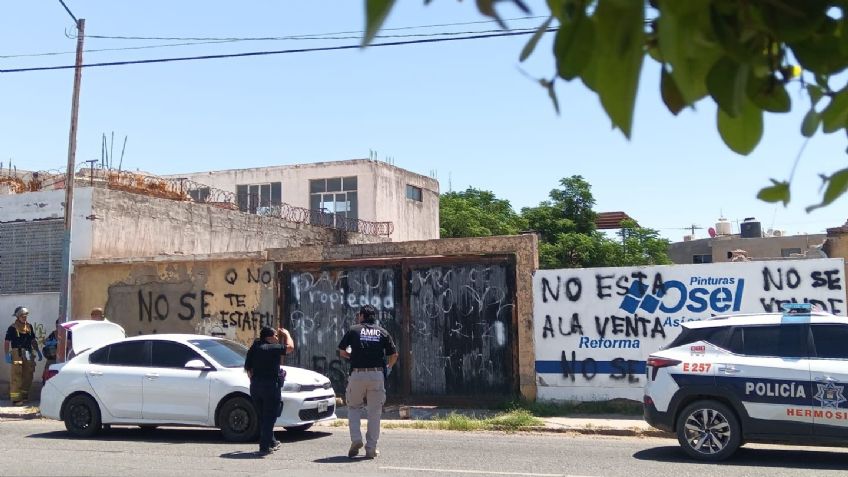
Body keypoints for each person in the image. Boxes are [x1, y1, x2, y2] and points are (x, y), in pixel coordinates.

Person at [337, 304, 398, 459]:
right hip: (377, 375)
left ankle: (356, 439)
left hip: (357, 374)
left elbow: (342, 351)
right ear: (374, 317)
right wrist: (388, 367)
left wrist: (354, 356)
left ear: (362, 316)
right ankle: (371, 449)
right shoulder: (382, 332)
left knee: (354, 407)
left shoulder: (354, 330)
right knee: (374, 412)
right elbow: (394, 354)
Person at [244, 326, 294, 456]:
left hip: (255, 386)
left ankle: (272, 441)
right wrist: (287, 334)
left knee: (263, 417)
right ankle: (264, 447)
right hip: (270, 387)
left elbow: (248, 370)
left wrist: (256, 382)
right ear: (269, 337)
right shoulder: (272, 348)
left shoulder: (254, 348)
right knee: (270, 417)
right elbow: (290, 347)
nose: (277, 338)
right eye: (276, 336)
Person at [4, 306, 42, 405]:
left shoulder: (29, 326)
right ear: (17, 316)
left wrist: (38, 351)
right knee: (17, 374)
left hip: (28, 353)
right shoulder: (12, 328)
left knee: (28, 374)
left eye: (25, 315)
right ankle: (16, 399)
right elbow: (7, 342)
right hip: (17, 353)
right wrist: (7, 354)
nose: (24, 317)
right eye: (22, 316)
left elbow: (33, 340)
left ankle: (24, 396)